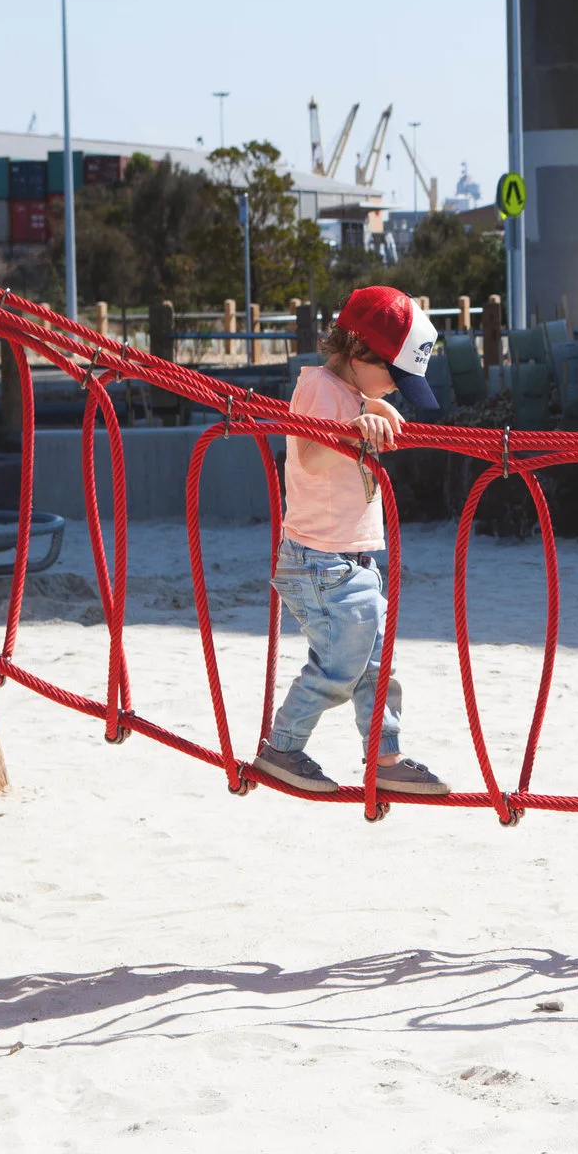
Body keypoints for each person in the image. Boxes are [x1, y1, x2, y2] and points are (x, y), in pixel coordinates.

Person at [250, 285, 450, 798]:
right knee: (340, 667)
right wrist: (355, 427)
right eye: (395, 377)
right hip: (319, 562)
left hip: (349, 563)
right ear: (359, 352)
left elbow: (359, 410)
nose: (397, 390)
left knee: (377, 665)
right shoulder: (320, 389)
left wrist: (371, 407)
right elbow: (310, 455)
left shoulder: (351, 393)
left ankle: (385, 756)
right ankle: (282, 747)